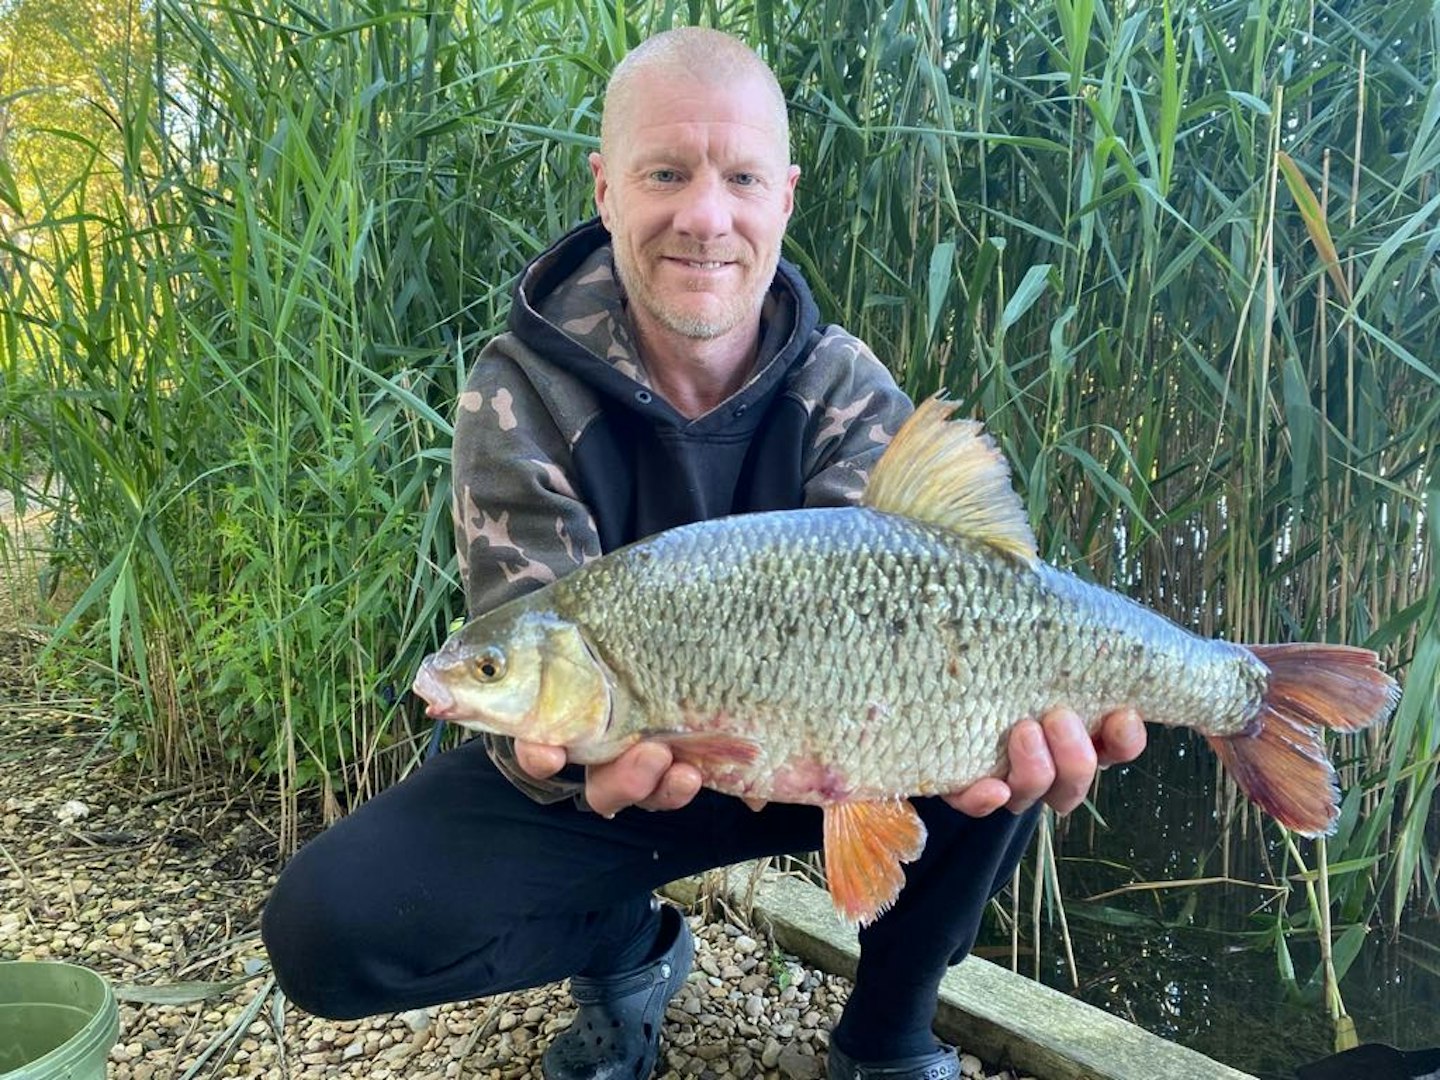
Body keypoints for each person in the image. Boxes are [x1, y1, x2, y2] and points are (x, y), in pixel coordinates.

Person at [261, 26, 1146, 1080]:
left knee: (988, 715)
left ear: (785, 196)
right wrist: (544, 753)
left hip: (847, 741)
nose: (704, 215)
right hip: (631, 770)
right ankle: (626, 947)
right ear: (605, 187)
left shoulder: (847, 389)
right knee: (329, 929)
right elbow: (532, 692)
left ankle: (889, 1033)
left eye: (741, 177)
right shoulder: (519, 392)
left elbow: (962, 585)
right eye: (665, 173)